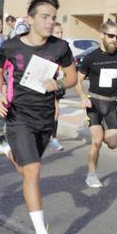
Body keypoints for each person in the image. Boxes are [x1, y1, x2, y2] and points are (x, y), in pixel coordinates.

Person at [0, 0, 76, 234]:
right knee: (34, 170)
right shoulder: (11, 46)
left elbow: (72, 76)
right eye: (45, 17)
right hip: (18, 117)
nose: (50, 22)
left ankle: (4, 149)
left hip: (45, 118)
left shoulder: (60, 48)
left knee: (28, 171)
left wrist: (60, 83)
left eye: (54, 18)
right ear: (30, 19)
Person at [75, 19, 117, 188]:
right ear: (102, 35)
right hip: (94, 102)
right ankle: (91, 175)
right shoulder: (91, 58)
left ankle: (95, 130)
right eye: (111, 35)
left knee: (113, 144)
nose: (114, 39)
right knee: (97, 141)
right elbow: (77, 81)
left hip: (111, 104)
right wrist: (83, 96)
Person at [49, 22, 66, 151]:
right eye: (57, 32)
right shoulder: (44, 47)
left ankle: (53, 139)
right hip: (43, 83)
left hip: (56, 83)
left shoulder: (63, 47)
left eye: (61, 32)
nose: (60, 35)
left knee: (55, 111)